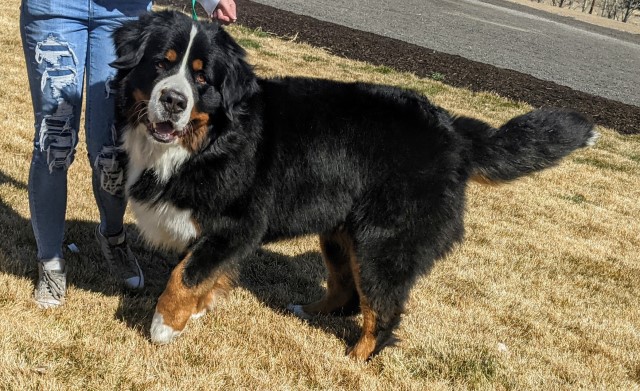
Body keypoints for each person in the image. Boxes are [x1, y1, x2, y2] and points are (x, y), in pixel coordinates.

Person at [20, 0, 237, 309]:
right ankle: (50, 260)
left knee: (111, 151)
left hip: (124, 11)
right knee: (54, 142)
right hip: (55, 7)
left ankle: (113, 236)